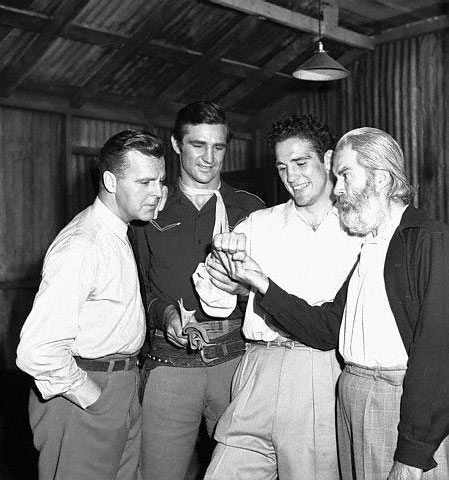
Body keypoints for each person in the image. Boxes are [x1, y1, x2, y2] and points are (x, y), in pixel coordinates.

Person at [213, 127, 449, 480]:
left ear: (381, 179)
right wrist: (260, 282)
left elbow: (437, 355)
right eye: (336, 177)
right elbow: (326, 329)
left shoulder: (425, 240)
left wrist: (414, 454)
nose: (337, 190)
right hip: (352, 396)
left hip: (394, 403)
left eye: (345, 176)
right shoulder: (370, 246)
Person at [200, 114, 364, 480]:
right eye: (282, 167)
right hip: (258, 366)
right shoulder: (261, 224)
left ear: (328, 159)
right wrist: (227, 264)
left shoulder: (357, 230)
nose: (292, 177)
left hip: (320, 370)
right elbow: (211, 291)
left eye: (301, 163)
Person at [16, 130, 167, 480]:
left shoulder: (117, 230)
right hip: (84, 393)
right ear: (111, 181)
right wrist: (94, 399)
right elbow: (37, 351)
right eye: (145, 182)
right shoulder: (81, 245)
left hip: (122, 385)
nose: (157, 192)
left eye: (160, 180)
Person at [134, 101, 265, 480]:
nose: (208, 158)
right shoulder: (150, 207)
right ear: (176, 145)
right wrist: (164, 314)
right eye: (197, 145)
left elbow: (274, 291)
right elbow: (137, 289)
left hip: (236, 364)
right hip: (170, 365)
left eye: (218, 147)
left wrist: (245, 292)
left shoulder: (251, 209)